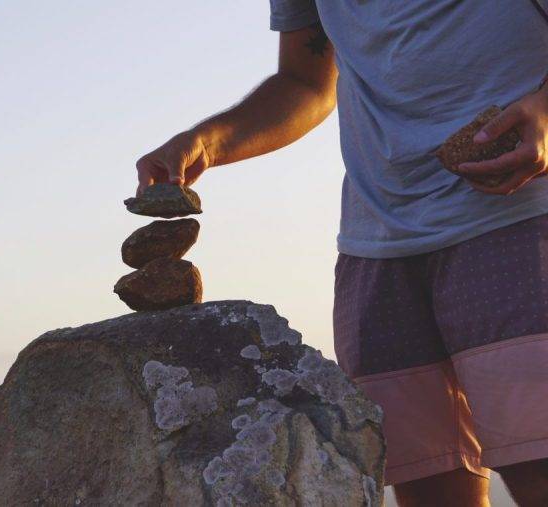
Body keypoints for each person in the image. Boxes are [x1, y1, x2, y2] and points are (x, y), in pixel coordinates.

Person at [134, 2, 548, 506]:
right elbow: (306, 82)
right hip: (375, 247)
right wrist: (208, 141)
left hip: (521, 221)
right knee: (429, 490)